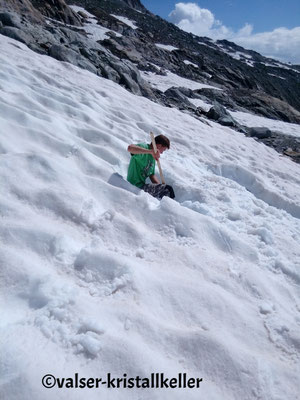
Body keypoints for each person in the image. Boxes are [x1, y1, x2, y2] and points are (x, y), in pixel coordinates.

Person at [127, 134, 175, 199]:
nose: (161, 153)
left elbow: (151, 175)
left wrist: (159, 186)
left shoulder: (153, 158)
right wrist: (150, 151)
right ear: (159, 146)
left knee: (165, 189)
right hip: (133, 186)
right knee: (168, 190)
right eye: (163, 150)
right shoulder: (144, 147)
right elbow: (130, 148)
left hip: (141, 186)